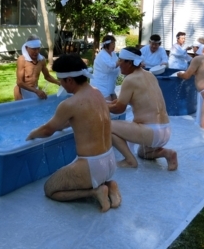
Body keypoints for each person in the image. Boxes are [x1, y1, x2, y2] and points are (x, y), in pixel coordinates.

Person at [26, 54, 121, 212]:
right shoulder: (97, 93)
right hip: (110, 161)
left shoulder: (70, 104)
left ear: (69, 80)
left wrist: (31, 134)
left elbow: (47, 130)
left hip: (92, 166)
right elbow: (82, 118)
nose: (61, 85)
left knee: (50, 189)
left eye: (61, 81)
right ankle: (109, 185)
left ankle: (96, 191)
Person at [108, 47, 178, 170]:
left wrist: (101, 106)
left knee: (106, 126)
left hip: (150, 132)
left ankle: (130, 161)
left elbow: (119, 108)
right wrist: (105, 103)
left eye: (120, 60)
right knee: (142, 153)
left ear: (129, 63)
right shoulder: (150, 75)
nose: (118, 64)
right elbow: (120, 101)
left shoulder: (130, 79)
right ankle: (167, 153)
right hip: (165, 130)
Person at [14, 34, 60, 100]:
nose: (36, 52)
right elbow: (19, 82)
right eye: (33, 49)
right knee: (23, 110)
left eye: (38, 49)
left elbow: (47, 76)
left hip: (34, 89)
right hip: (22, 90)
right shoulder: (22, 60)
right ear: (27, 48)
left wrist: (58, 83)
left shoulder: (42, 60)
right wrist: (36, 91)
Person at [90, 35, 120, 101]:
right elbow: (111, 65)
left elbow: (118, 66)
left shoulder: (113, 54)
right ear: (106, 45)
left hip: (110, 84)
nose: (114, 45)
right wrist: (120, 61)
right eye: (112, 43)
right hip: (100, 84)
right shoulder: (101, 55)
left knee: (116, 102)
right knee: (108, 103)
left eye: (114, 43)